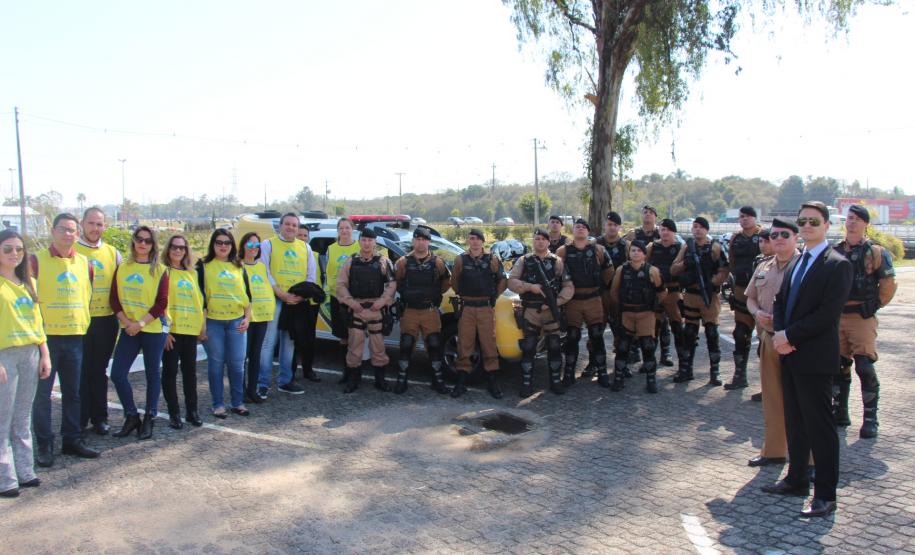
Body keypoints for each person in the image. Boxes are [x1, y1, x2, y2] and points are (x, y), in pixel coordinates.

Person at [763, 201, 852, 518]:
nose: (807, 226)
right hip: (789, 354)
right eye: (802, 221)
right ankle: (796, 479)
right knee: (795, 421)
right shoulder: (798, 261)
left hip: (814, 357)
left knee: (820, 427)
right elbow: (781, 301)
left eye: (814, 221)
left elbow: (827, 314)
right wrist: (780, 334)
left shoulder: (837, 264)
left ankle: (825, 494)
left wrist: (789, 336)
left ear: (827, 225)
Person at [31, 213, 99, 467]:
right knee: (43, 396)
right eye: (63, 229)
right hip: (46, 339)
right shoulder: (36, 261)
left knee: (73, 393)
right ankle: (44, 444)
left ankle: (71, 439)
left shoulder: (84, 263)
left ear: (77, 234)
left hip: (75, 337)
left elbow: (86, 296)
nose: (68, 234)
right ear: (53, 231)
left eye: (72, 230)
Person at [833, 204, 897, 438]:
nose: (851, 222)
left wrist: (876, 304)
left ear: (865, 224)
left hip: (862, 317)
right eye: (849, 218)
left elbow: (889, 284)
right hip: (838, 316)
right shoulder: (835, 250)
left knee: (864, 366)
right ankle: (840, 411)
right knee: (838, 366)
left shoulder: (875, 252)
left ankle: (870, 418)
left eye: (857, 219)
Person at [0, 230, 50, 497]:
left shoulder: (28, 283)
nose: (14, 254)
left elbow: (37, 323)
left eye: (19, 249)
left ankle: (25, 471)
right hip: (5, 355)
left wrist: (45, 354)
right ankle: (5, 478)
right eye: (8, 249)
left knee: (22, 416)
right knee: (3, 418)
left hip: (30, 353)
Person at [744, 219, 799, 467]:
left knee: (801, 400)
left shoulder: (804, 266)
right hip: (768, 338)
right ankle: (774, 451)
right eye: (774, 235)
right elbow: (750, 298)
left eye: (784, 234)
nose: (778, 239)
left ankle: (807, 459)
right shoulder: (764, 266)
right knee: (772, 398)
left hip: (796, 342)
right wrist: (757, 313)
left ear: (796, 237)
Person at [109, 226, 169, 440]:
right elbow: (114, 299)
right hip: (129, 329)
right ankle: (131, 416)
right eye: (139, 239)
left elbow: (161, 303)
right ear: (133, 241)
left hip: (152, 329)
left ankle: (149, 417)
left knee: (152, 374)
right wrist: (127, 323)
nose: (143, 243)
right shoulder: (122, 268)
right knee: (117, 374)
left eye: (148, 240)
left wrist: (141, 323)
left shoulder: (160, 270)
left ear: (153, 245)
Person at [507, 229, 574, 397]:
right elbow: (511, 282)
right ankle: (526, 383)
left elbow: (568, 286)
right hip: (531, 310)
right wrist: (530, 287)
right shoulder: (524, 260)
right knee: (529, 346)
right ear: (533, 241)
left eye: (543, 239)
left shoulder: (557, 261)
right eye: (537, 239)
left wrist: (556, 302)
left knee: (554, 345)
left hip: (551, 311)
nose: (540, 242)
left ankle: (555, 382)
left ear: (548, 242)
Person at [256, 212, 316, 398]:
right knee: (268, 342)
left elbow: (310, 276)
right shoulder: (268, 244)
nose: (291, 227)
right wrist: (281, 294)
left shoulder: (305, 248)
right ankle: (262, 383)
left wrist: (300, 296)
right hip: (273, 300)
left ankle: (285, 381)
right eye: (287, 224)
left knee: (289, 343)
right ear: (280, 226)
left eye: (294, 225)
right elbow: (264, 271)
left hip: (296, 302)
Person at [75, 207, 122, 436]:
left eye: (99, 224)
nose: (95, 228)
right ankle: (80, 418)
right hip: (79, 322)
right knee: (81, 372)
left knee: (99, 370)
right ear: (82, 224)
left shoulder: (113, 253)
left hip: (106, 320)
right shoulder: (72, 250)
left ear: (105, 226)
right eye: (91, 223)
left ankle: (100, 418)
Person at [198, 229, 252, 419]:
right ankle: (218, 404)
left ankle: (238, 402)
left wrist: (247, 318)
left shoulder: (239, 265)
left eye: (227, 243)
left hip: (236, 321)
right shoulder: (203, 265)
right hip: (213, 322)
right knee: (216, 364)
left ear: (232, 245)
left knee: (237, 364)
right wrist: (202, 325)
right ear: (213, 244)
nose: (223, 246)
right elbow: (200, 297)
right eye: (219, 242)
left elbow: (247, 294)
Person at [335, 227, 397, 393]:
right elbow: (340, 285)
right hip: (357, 309)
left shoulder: (384, 262)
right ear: (359, 241)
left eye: (370, 240)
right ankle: (353, 380)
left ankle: (380, 381)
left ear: (375, 242)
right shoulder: (350, 261)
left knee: (378, 347)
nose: (367, 243)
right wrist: (351, 303)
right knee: (354, 346)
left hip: (376, 309)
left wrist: (382, 302)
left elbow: (391, 285)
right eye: (364, 240)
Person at [670, 217, 729, 385]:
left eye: (701, 227)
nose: (697, 230)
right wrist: (685, 263)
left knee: (712, 332)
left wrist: (712, 282)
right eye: (695, 227)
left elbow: (724, 270)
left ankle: (715, 372)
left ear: (707, 230)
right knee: (689, 332)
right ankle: (686, 370)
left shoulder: (715, 247)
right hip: (690, 295)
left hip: (709, 295)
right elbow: (673, 269)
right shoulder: (687, 247)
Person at [450, 228, 507, 399]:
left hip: (485, 308)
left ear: (482, 241)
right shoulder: (460, 259)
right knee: (464, 344)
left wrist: (494, 297)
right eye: (471, 238)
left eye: (477, 238)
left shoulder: (492, 259)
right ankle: (461, 382)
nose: (474, 241)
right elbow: (454, 281)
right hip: (467, 308)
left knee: (489, 344)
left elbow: (502, 280)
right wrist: (464, 294)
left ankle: (492, 381)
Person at [394, 227, 452, 394]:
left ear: (428, 242)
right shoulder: (403, 262)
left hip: (429, 311)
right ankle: (402, 379)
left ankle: (438, 380)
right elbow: (396, 281)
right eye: (418, 239)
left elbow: (446, 282)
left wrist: (431, 294)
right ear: (413, 241)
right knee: (406, 344)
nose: (421, 242)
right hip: (410, 311)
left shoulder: (438, 262)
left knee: (434, 344)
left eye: (424, 239)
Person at [555, 219, 613, 387]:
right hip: (573, 300)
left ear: (588, 231)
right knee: (572, 337)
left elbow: (609, 271)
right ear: (572, 230)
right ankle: (569, 374)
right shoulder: (563, 251)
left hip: (593, 299)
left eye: (583, 227)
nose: (580, 229)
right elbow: (556, 273)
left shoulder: (598, 250)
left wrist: (601, 289)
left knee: (596, 335)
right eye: (577, 227)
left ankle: (602, 372)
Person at [161, 234, 205, 429]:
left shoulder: (192, 273)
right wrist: (164, 332)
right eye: (174, 247)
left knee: (190, 373)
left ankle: (192, 411)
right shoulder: (162, 271)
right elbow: (159, 302)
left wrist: (201, 326)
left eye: (182, 247)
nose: (178, 251)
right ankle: (174, 413)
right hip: (172, 331)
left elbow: (199, 301)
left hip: (190, 331)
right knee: (170, 372)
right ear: (168, 249)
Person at [609, 241, 665, 393]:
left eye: (639, 251)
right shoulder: (622, 269)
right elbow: (614, 292)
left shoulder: (652, 271)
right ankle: (619, 378)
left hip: (646, 314)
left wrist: (653, 306)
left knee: (647, 346)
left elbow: (662, 292)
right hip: (627, 313)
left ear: (644, 254)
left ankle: (651, 380)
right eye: (633, 250)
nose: (635, 253)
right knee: (622, 346)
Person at [724, 206, 763, 391]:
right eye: (741, 216)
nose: (744, 219)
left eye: (748, 216)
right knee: (741, 333)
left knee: (765, 339)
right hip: (741, 289)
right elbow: (731, 262)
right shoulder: (736, 238)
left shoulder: (765, 235)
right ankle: (740, 376)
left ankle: (767, 385)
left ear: (755, 218)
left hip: (762, 290)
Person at [238, 232, 274, 405]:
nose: (254, 248)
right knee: (242, 356)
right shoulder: (238, 266)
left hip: (262, 316)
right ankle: (240, 390)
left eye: (257, 245)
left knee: (255, 355)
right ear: (243, 246)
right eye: (250, 244)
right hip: (245, 317)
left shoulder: (261, 266)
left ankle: (252, 390)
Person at [592, 211, 628, 379]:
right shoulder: (595, 244)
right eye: (609, 224)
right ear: (605, 226)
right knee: (596, 331)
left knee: (620, 331)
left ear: (619, 227)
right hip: (599, 294)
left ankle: (622, 365)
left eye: (615, 225)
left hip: (618, 295)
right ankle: (593, 363)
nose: (612, 227)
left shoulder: (626, 245)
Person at [645, 219, 683, 368]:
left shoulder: (680, 248)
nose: (665, 232)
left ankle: (683, 365)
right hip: (656, 292)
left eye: (668, 230)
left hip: (674, 293)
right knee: (653, 326)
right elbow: (643, 265)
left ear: (674, 232)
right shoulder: (652, 247)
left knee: (677, 327)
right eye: (662, 229)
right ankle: (649, 361)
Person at [290, 224, 321, 384]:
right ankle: (291, 372)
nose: (302, 238)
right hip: (295, 301)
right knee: (294, 339)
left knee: (310, 338)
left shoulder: (314, 255)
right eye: (299, 235)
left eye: (305, 236)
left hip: (311, 303)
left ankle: (308, 370)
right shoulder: (291, 254)